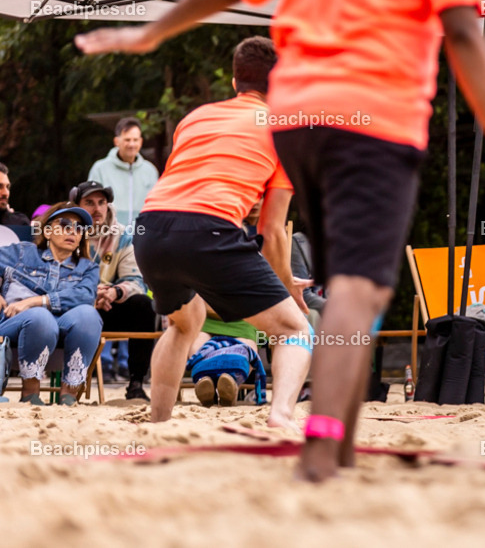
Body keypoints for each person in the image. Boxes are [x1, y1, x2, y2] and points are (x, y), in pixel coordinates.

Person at [77, 0, 485, 482]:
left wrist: (151, 32)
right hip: (374, 116)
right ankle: (318, 442)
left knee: (251, 307)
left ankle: (238, 430)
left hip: (283, 129)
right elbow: (459, 28)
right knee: (351, 292)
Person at [78, 37, 313, 429]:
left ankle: (158, 420)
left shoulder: (197, 117)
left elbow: (186, 180)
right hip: (210, 229)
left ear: (236, 81)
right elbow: (270, 230)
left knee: (186, 321)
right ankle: (281, 416)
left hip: (151, 229)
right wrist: (286, 285)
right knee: (293, 329)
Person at [0, 203, 102, 405]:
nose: (72, 230)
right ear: (47, 231)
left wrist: (35, 301)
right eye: (64, 224)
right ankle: (30, 393)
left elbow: (85, 296)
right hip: (14, 323)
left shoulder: (88, 267)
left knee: (89, 315)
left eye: (79, 227)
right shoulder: (22, 253)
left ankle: (69, 396)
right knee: (40, 317)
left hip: (64, 324)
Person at [71, 180, 156, 401]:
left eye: (102, 202)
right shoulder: (65, 231)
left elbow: (136, 280)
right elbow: (58, 278)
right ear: (76, 205)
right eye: (89, 202)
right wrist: (90, 294)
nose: (97, 209)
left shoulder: (123, 235)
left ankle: (136, 383)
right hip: (74, 307)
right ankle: (68, 384)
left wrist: (114, 293)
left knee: (144, 304)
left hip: (107, 306)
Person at [87, 117, 160, 228]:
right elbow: (91, 205)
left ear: (140, 142)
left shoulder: (150, 171)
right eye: (127, 140)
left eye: (135, 140)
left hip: (142, 236)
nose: (131, 144)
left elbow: (156, 206)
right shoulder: (100, 169)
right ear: (117, 141)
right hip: (110, 237)